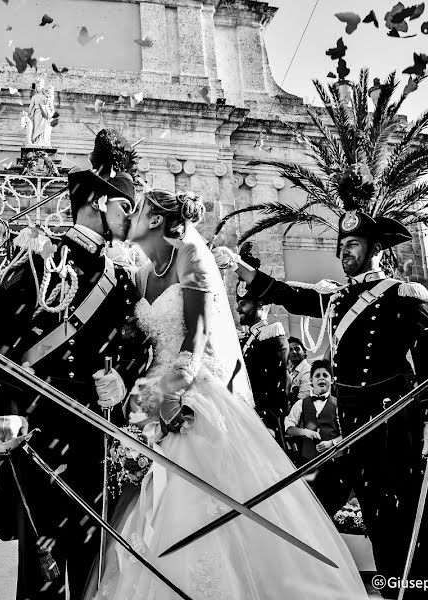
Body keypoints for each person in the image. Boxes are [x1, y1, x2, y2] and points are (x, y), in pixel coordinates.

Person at [91, 189, 366, 599]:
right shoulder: (141, 272)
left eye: (139, 208)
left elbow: (198, 335)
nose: (129, 214)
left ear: (154, 221)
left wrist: (174, 392)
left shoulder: (190, 255)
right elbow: (133, 337)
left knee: (202, 504)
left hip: (192, 395)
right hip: (148, 399)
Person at [214, 166, 428, 599]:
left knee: (401, 524)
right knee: (373, 523)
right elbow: (290, 294)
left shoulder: (404, 294)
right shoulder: (338, 297)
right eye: (342, 245)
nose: (345, 253)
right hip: (353, 423)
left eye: (354, 245)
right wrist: (246, 271)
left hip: (392, 421)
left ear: (376, 249)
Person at [0, 167, 152, 600]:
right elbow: (1, 338)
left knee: (89, 554)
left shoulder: (118, 277)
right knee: (43, 563)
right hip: (40, 427)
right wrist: (7, 412)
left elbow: (138, 343)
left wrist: (123, 376)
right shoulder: (42, 259)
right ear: (98, 202)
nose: (129, 218)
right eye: (124, 206)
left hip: (94, 434)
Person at [284, 359, 348, 516]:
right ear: (311, 381)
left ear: (331, 381)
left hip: (333, 464)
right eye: (317, 375)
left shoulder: (338, 405)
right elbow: (289, 428)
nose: (321, 378)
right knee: (311, 506)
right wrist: (305, 432)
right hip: (309, 462)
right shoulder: (300, 404)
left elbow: (347, 433)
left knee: (331, 504)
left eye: (325, 375)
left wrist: (331, 443)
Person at [236, 289, 289, 443]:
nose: (238, 308)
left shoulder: (272, 335)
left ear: (260, 305)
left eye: (243, 303)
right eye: (238, 304)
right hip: (246, 417)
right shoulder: (245, 339)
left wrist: (270, 421)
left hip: (264, 423)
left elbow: (279, 386)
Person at [287, 336, 313, 402]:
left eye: (297, 349)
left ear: (304, 352)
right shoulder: (292, 372)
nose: (294, 352)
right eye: (290, 350)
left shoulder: (307, 371)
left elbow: (303, 402)